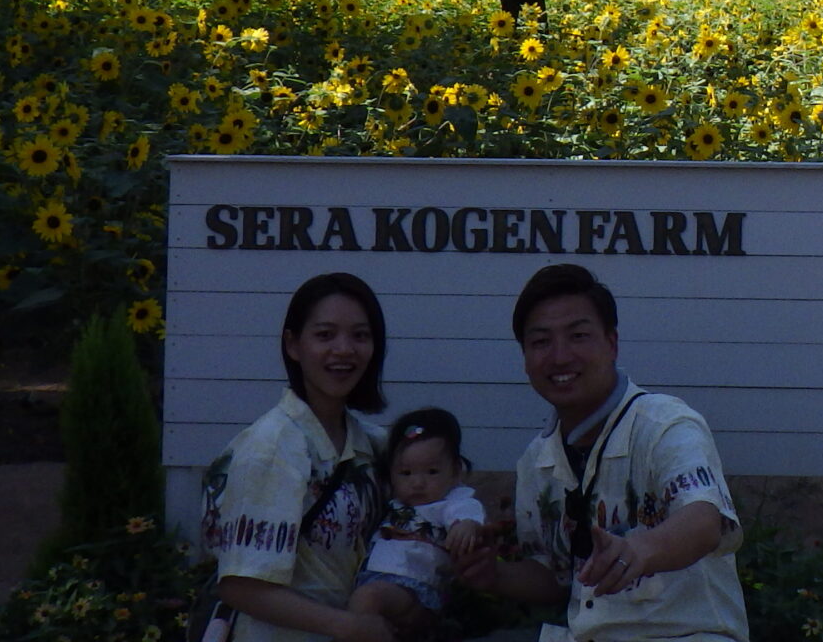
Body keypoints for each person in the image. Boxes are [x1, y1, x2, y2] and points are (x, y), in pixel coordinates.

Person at [457, 263, 746, 642]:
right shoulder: (536, 459)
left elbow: (704, 520)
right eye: (541, 342)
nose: (560, 357)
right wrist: (493, 574)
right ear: (525, 357)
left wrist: (640, 548)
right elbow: (557, 575)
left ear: (611, 343)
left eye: (578, 336)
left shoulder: (665, 423)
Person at [201, 272, 398, 642]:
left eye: (360, 335)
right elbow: (240, 585)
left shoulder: (369, 443)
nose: (344, 350)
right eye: (325, 335)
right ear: (293, 344)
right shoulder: (271, 448)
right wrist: (349, 626)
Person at [349, 408, 486, 632]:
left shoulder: (450, 501)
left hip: (417, 586)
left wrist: (466, 526)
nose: (418, 483)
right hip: (378, 582)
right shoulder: (393, 501)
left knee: (368, 599)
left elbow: (466, 512)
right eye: (406, 473)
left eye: (432, 471)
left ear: (455, 471)